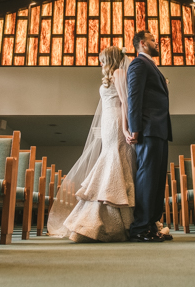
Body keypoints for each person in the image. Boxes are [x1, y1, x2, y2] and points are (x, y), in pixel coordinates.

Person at [46, 46, 136, 242]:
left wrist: (125, 129)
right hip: (108, 122)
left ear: (111, 59)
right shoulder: (111, 75)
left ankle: (115, 218)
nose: (100, 63)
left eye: (103, 59)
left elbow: (125, 102)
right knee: (112, 158)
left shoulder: (120, 73)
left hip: (116, 122)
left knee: (115, 159)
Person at [126, 30, 173, 242]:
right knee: (147, 178)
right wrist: (134, 127)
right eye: (153, 39)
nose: (157, 42)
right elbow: (133, 97)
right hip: (148, 129)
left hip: (160, 130)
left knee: (157, 179)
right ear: (143, 44)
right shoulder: (138, 64)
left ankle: (152, 225)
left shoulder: (151, 65)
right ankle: (139, 228)